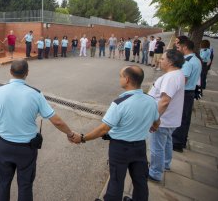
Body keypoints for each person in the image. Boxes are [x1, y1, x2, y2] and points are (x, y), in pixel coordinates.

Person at [0, 59, 77, 201]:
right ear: (27, 73)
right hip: (26, 149)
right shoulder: (35, 94)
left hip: (4, 147)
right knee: (25, 186)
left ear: (10, 72)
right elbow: (57, 121)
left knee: (3, 184)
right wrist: (70, 134)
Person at [71, 66, 159, 201]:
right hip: (140, 147)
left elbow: (103, 129)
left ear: (127, 79)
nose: (120, 79)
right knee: (140, 181)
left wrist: (83, 138)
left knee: (116, 181)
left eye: (120, 76)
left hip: (120, 149)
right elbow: (156, 123)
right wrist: (147, 127)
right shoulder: (151, 101)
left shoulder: (120, 103)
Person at [148, 49, 185, 182]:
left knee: (156, 147)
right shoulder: (178, 74)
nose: (160, 60)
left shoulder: (170, 77)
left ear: (170, 62)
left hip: (163, 120)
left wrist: (155, 119)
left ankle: (155, 172)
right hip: (171, 119)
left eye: (163, 59)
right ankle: (165, 164)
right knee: (167, 142)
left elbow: (164, 101)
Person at [172, 39, 202, 153]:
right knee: (185, 118)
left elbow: (182, 81)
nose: (178, 49)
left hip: (184, 92)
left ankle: (176, 143)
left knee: (180, 118)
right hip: (190, 92)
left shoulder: (188, 62)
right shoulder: (196, 60)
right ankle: (181, 141)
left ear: (185, 48)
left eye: (179, 48)